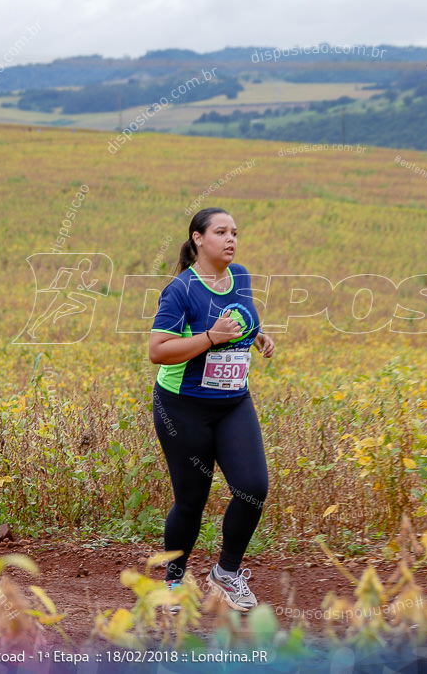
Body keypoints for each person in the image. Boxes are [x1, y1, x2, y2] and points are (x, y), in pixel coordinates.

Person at [148, 207, 275, 612]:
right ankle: (174, 582)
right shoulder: (181, 290)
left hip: (234, 402)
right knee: (192, 500)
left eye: (235, 232)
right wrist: (209, 337)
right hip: (183, 407)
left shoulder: (240, 277)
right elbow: (158, 351)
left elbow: (238, 318)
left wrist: (255, 336)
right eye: (221, 232)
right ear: (198, 239)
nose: (231, 239)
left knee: (253, 488)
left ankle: (227, 573)